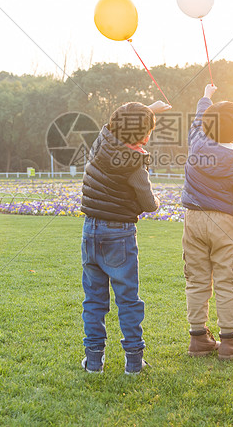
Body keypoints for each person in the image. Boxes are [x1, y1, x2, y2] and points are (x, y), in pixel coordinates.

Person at [79, 99, 171, 375]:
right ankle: (133, 361)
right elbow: (147, 203)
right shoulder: (135, 165)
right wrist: (157, 201)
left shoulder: (101, 144)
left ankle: (94, 362)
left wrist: (147, 111)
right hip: (119, 234)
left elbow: (111, 126)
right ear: (144, 135)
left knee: (94, 300)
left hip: (90, 230)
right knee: (128, 299)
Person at [180, 84, 233, 360]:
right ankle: (229, 340)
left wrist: (206, 97)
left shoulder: (197, 143)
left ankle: (198, 337)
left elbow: (198, 121)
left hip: (194, 220)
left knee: (196, 278)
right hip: (227, 224)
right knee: (227, 281)